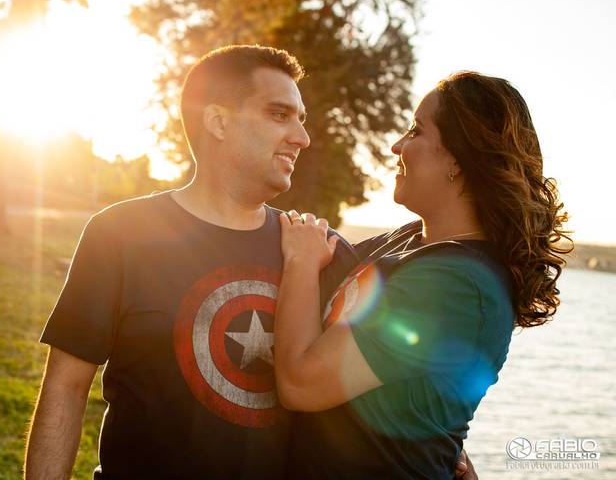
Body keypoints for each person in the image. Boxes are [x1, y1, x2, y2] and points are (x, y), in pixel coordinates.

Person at [24, 45, 477, 479]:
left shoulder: (320, 251)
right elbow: (66, 387)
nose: (302, 137)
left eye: (301, 120)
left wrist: (446, 453)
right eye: (279, 114)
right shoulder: (120, 234)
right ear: (218, 121)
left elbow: (389, 367)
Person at [274, 71, 571, 479]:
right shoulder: (412, 240)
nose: (397, 145)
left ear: (458, 159)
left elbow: (300, 384)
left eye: (416, 131)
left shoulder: (457, 284)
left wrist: (300, 264)